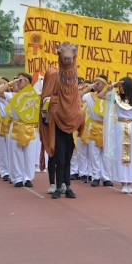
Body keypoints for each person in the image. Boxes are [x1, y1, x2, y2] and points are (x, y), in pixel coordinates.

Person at [40, 42, 85, 199]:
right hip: (57, 123)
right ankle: (58, 186)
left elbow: (73, 92)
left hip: (70, 124)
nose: (68, 57)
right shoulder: (55, 77)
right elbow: (47, 99)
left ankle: (68, 186)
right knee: (58, 157)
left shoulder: (73, 89)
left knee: (67, 158)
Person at [100, 77, 132, 193]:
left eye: (123, 86)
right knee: (121, 155)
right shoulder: (116, 98)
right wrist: (112, 85)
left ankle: (130, 183)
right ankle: (123, 183)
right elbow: (100, 95)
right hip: (120, 127)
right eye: (120, 86)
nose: (121, 88)